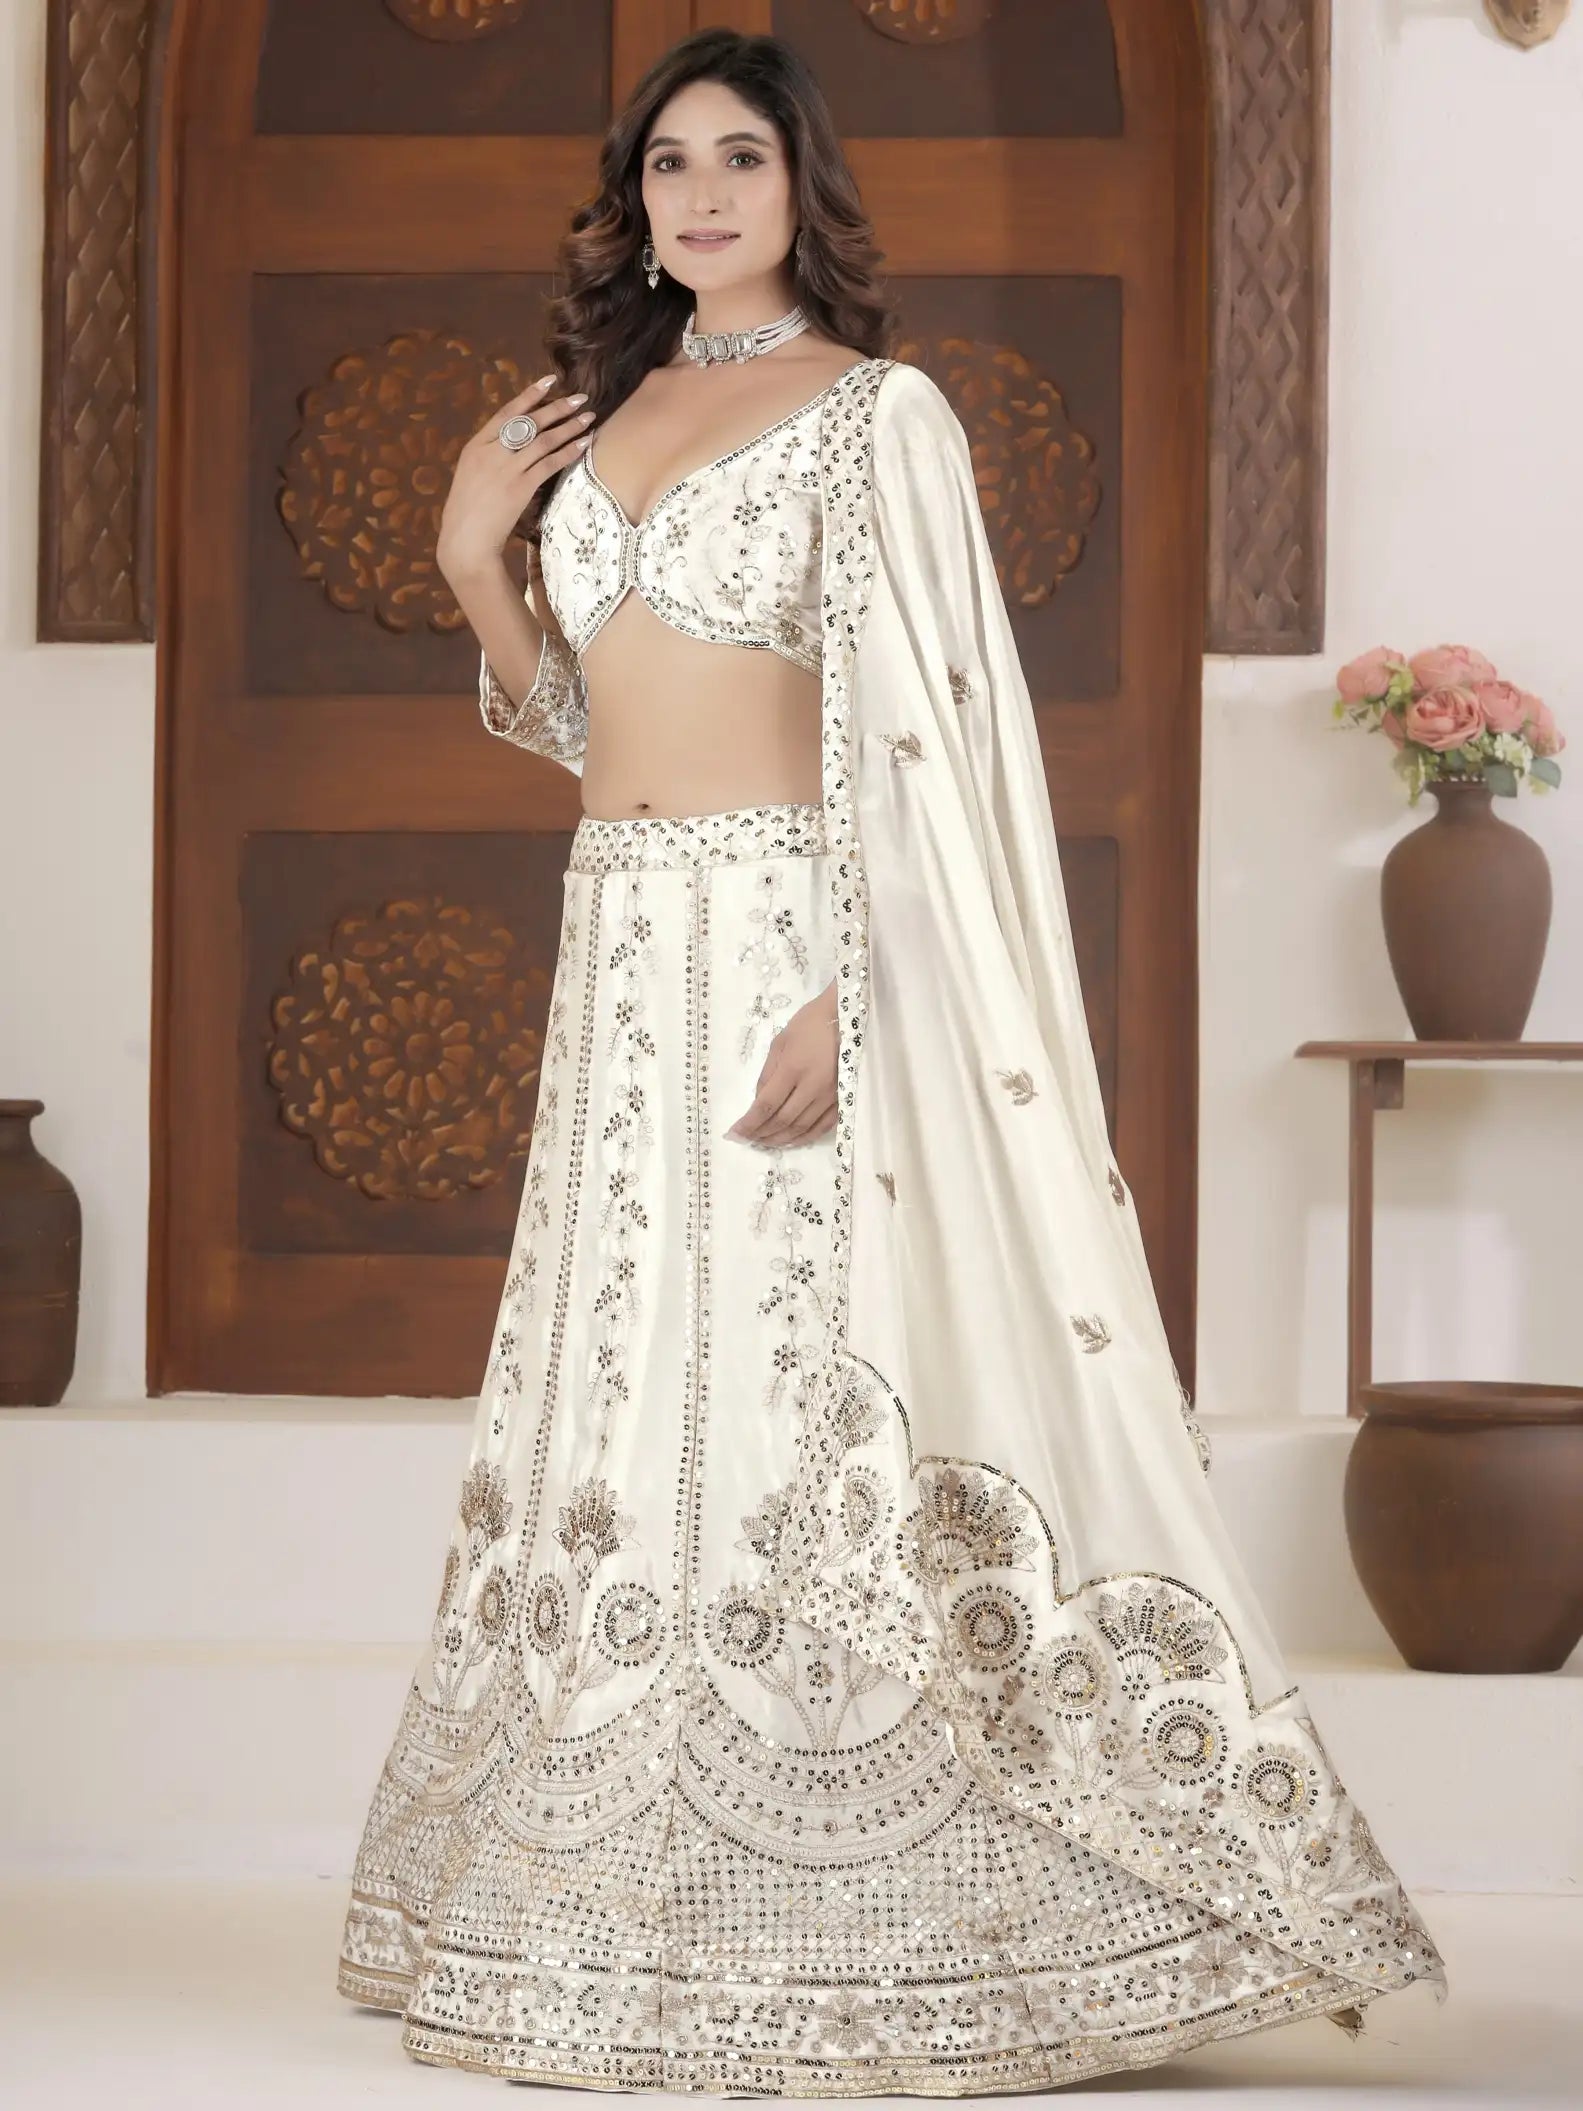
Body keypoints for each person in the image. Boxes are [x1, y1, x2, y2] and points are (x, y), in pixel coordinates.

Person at [336, 26, 1446, 2092]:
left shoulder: (880, 420)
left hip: (789, 934)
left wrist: (857, 982)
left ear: (805, 185)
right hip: (621, 944)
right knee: (616, 1396)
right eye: (668, 163)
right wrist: (470, 563)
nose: (700, 195)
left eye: (741, 157)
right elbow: (592, 729)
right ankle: (602, 1884)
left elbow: (932, 748)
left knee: (789, 1395)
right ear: (635, 198)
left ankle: (894, 1893)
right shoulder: (599, 415)